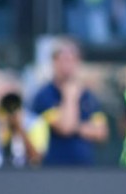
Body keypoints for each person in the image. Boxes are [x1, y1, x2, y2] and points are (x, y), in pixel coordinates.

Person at [31, 38, 108, 166]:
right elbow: (65, 128)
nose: (67, 65)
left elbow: (101, 133)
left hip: (85, 168)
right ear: (54, 62)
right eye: (64, 60)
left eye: (72, 60)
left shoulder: (88, 96)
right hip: (54, 167)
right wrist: (70, 98)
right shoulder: (45, 95)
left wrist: (75, 126)